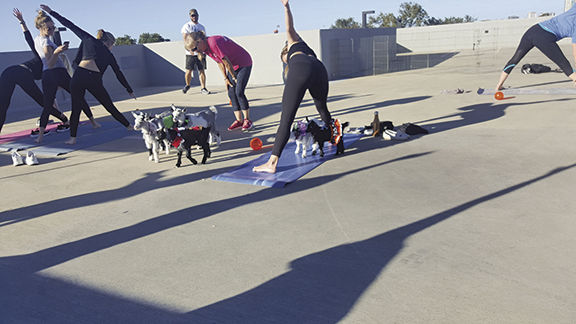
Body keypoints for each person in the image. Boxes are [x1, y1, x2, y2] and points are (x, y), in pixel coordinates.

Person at [253, 0, 341, 174]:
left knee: (286, 118)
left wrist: (286, 7)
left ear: (285, 53)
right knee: (322, 108)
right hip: (319, 68)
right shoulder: (304, 44)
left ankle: (272, 163)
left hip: (302, 66)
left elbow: (288, 27)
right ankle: (335, 138)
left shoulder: (292, 43)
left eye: (284, 61)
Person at [40, 5, 136, 145]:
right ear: (108, 42)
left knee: (76, 109)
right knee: (109, 106)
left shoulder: (89, 40)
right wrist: (129, 90)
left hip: (79, 76)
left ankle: (72, 138)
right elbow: (118, 73)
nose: (112, 47)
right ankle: (128, 126)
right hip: (93, 79)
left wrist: (51, 12)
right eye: (112, 44)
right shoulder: (109, 55)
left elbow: (70, 25)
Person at [0, 8, 69, 134]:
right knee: (42, 102)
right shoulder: (41, 55)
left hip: (8, 72)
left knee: (3, 106)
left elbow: (51, 96)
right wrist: (22, 22)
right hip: (22, 73)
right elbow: (29, 39)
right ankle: (65, 120)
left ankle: (63, 119)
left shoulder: (47, 66)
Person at [33, 8, 98, 143]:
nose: (51, 30)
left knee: (48, 105)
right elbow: (50, 62)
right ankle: (93, 122)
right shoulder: (45, 42)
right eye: (49, 28)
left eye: (53, 27)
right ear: (41, 28)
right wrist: (57, 51)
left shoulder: (37, 39)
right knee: (78, 95)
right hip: (56, 72)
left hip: (47, 75)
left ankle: (40, 136)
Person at [495, 5, 576, 91]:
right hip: (545, 37)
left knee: (514, 59)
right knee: (562, 62)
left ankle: (499, 85)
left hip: (533, 30)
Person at [185, 32, 254, 131]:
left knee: (239, 92)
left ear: (199, 41)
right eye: (192, 51)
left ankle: (247, 120)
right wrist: (226, 78)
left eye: (195, 49)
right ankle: (239, 120)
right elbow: (219, 62)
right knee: (231, 93)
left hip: (243, 62)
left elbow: (225, 60)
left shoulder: (213, 43)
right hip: (233, 65)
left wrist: (233, 77)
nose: (195, 52)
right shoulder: (205, 49)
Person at [181, 9, 210, 95]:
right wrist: (189, 49)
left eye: (195, 15)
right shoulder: (186, 26)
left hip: (200, 53)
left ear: (198, 15)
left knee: (201, 70)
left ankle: (203, 88)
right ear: (190, 16)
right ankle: (187, 85)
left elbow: (204, 39)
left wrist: (204, 51)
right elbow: (185, 39)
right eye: (192, 15)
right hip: (190, 53)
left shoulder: (202, 27)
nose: (194, 17)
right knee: (188, 71)